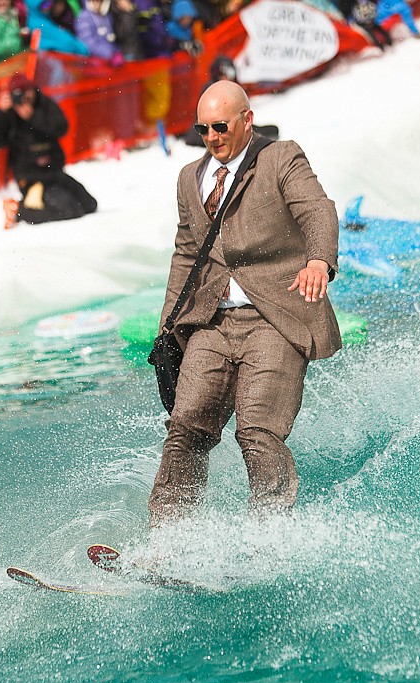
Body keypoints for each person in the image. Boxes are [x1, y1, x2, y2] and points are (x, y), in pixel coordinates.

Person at [148, 80, 341, 527]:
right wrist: (167, 328)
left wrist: (318, 260)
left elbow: (317, 209)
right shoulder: (190, 178)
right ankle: (169, 538)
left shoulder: (280, 158)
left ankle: (269, 535)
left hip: (274, 316)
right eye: (203, 129)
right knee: (184, 428)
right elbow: (186, 255)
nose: (212, 137)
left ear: (247, 120)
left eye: (220, 126)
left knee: (258, 431)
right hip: (212, 323)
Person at [0, 72, 97, 225]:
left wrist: (33, 116)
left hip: (54, 174)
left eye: (27, 91)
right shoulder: (9, 114)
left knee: (89, 205)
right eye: (19, 94)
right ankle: (18, 210)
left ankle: (27, 207)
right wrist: (0, 113)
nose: (24, 98)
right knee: (69, 211)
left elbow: (61, 127)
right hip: (31, 179)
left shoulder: (43, 104)